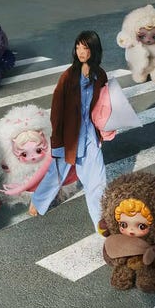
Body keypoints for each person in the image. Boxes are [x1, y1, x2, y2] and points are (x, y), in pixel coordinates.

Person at [29, 30, 108, 230]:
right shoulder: (68, 75)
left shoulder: (100, 74)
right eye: (78, 47)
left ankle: (101, 221)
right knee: (56, 173)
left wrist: (103, 129)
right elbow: (57, 110)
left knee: (97, 179)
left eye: (85, 48)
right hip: (69, 136)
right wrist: (57, 139)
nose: (81, 52)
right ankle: (38, 200)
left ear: (94, 50)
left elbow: (104, 103)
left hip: (90, 135)